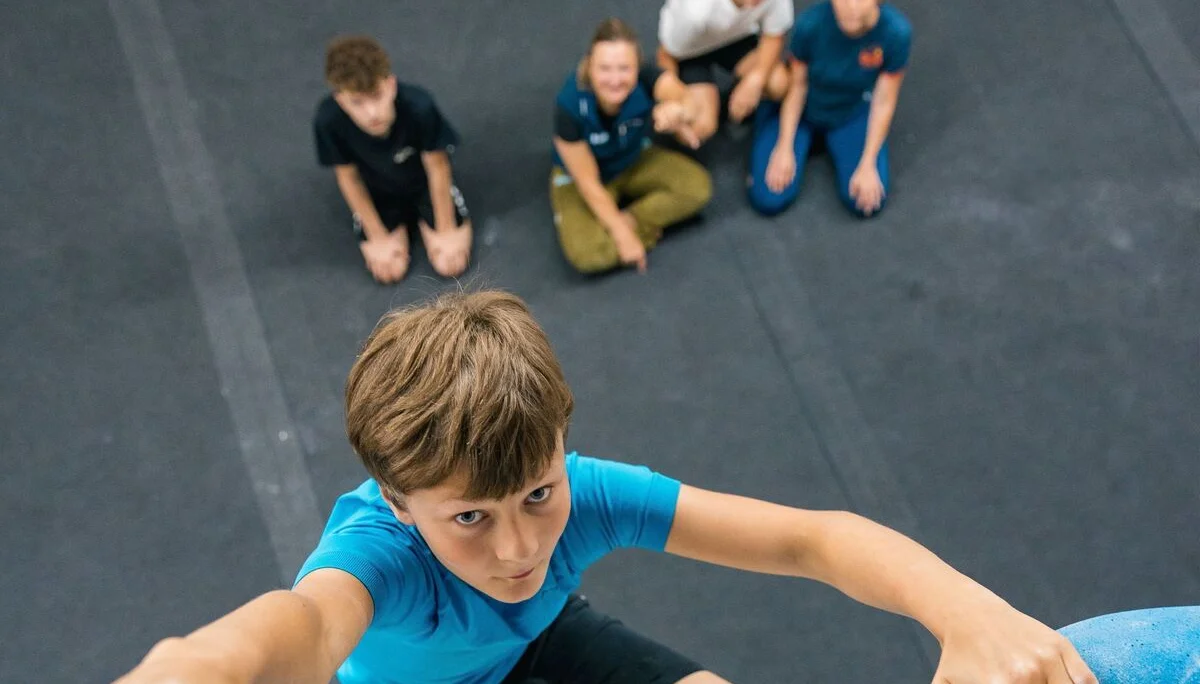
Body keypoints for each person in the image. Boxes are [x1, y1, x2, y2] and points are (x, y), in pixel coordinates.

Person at [116, 289, 1099, 684]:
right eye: (470, 518)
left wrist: (969, 613)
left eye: (536, 497)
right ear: (396, 497)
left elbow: (814, 538)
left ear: (560, 448)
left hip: (541, 650)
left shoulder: (578, 495)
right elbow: (306, 627)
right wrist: (192, 669)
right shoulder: (382, 554)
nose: (516, 550)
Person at [551, 19, 713, 275]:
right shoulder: (568, 105)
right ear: (589, 66)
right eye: (605, 69)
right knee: (587, 254)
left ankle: (630, 220)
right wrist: (623, 235)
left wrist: (679, 111)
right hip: (585, 177)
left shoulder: (648, 76)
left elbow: (688, 100)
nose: (615, 80)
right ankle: (634, 228)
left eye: (624, 68)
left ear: (637, 67)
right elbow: (588, 183)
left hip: (632, 157)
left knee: (697, 188)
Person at [314, 35, 473, 284]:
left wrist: (445, 228)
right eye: (357, 102)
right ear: (341, 100)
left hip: (423, 185)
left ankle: (430, 221)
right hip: (376, 191)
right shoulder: (328, 121)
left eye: (377, 95)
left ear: (391, 85)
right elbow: (348, 177)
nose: (372, 113)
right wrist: (377, 236)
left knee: (448, 265)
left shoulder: (420, 106)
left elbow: (438, 167)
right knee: (391, 270)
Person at [747, 0, 911, 218]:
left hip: (850, 112)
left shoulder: (896, 32)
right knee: (768, 198)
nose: (851, 6)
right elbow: (797, 87)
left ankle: (837, 144)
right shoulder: (810, 24)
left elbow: (884, 100)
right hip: (804, 111)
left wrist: (868, 162)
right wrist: (784, 146)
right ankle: (768, 122)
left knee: (864, 201)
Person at [655, 0, 794, 146]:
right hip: (689, 52)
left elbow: (774, 35)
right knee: (701, 128)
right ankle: (718, 105)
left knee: (779, 84)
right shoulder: (695, 12)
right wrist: (674, 104)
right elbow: (666, 55)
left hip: (736, 37)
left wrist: (755, 80)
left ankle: (732, 101)